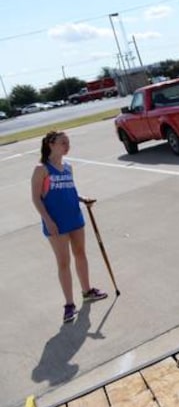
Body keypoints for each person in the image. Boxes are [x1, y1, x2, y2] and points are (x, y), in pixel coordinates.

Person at [31, 131, 108, 324]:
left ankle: (87, 291)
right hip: (56, 222)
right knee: (63, 262)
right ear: (51, 144)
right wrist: (47, 220)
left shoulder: (67, 167)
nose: (67, 145)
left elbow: (69, 190)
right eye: (63, 142)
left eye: (68, 142)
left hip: (74, 217)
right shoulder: (41, 169)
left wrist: (83, 199)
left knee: (80, 253)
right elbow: (36, 198)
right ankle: (69, 304)